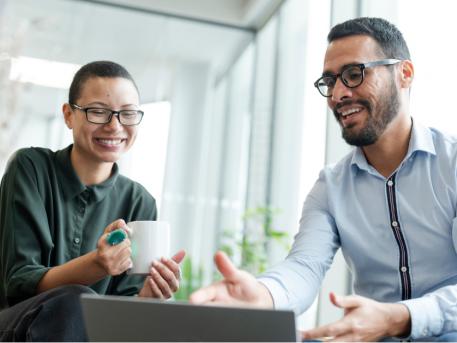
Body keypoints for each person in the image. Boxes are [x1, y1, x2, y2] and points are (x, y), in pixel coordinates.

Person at [190, 17, 457, 341]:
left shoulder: (451, 163)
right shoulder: (330, 187)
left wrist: (399, 317)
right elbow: (304, 267)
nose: (338, 94)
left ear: (404, 74)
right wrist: (264, 295)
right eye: (329, 82)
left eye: (354, 74)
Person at [0, 61, 185, 341]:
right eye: (98, 112)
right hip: (15, 326)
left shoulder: (140, 201)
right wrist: (97, 265)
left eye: (127, 114)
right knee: (74, 301)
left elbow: (121, 319)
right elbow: (19, 281)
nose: (114, 126)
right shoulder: (31, 167)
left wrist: (147, 298)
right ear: (68, 115)